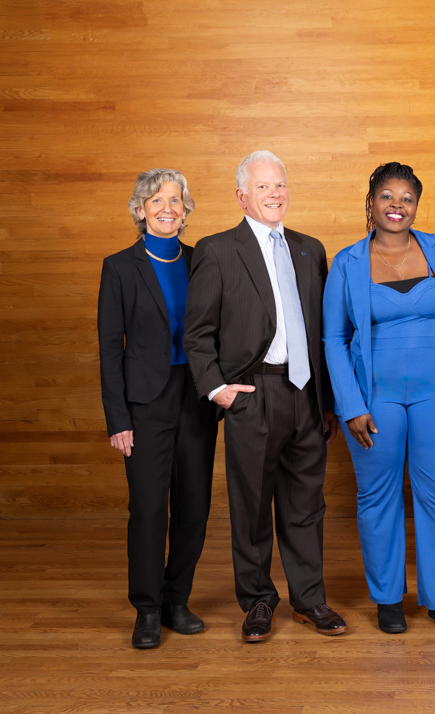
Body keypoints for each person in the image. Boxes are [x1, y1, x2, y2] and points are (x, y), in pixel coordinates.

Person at [183, 150, 345, 643]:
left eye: (280, 185)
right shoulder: (218, 250)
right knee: (251, 505)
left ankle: (309, 598)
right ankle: (257, 600)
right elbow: (197, 333)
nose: (275, 194)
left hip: (305, 394)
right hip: (253, 393)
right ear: (241, 196)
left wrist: (328, 401)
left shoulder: (309, 249)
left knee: (305, 504)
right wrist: (217, 390)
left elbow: (322, 332)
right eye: (263, 187)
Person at [323, 162, 435, 634]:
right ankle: (388, 599)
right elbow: (333, 338)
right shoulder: (347, 262)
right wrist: (350, 405)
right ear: (370, 203)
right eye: (387, 196)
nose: (397, 205)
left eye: (407, 198)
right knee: (378, 495)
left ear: (416, 204)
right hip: (374, 397)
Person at [98, 169, 218, 649]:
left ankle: (176, 598)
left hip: (197, 394)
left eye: (176, 200)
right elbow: (110, 348)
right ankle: (146, 609)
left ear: (186, 211)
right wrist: (118, 419)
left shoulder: (202, 261)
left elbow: (218, 330)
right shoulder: (118, 267)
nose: (167, 207)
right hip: (144, 401)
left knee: (194, 504)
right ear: (140, 209)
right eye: (156, 200)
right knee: (149, 509)